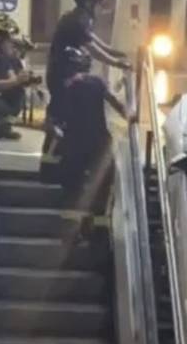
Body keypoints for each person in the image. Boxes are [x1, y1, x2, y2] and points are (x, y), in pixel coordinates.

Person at [47, 46, 132, 236]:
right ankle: (98, 228)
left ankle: (70, 231)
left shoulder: (63, 89)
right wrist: (131, 117)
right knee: (102, 188)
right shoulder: (97, 83)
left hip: (73, 146)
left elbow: (51, 122)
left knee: (73, 189)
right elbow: (118, 105)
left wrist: (59, 136)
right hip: (100, 145)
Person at [48, 0, 131, 126]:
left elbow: (95, 41)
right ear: (88, 3)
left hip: (68, 72)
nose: (100, 9)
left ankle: (124, 112)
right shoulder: (77, 20)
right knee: (99, 85)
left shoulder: (81, 18)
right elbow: (92, 48)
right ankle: (126, 112)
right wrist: (116, 62)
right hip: (63, 76)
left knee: (97, 87)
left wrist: (115, 53)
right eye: (98, 4)